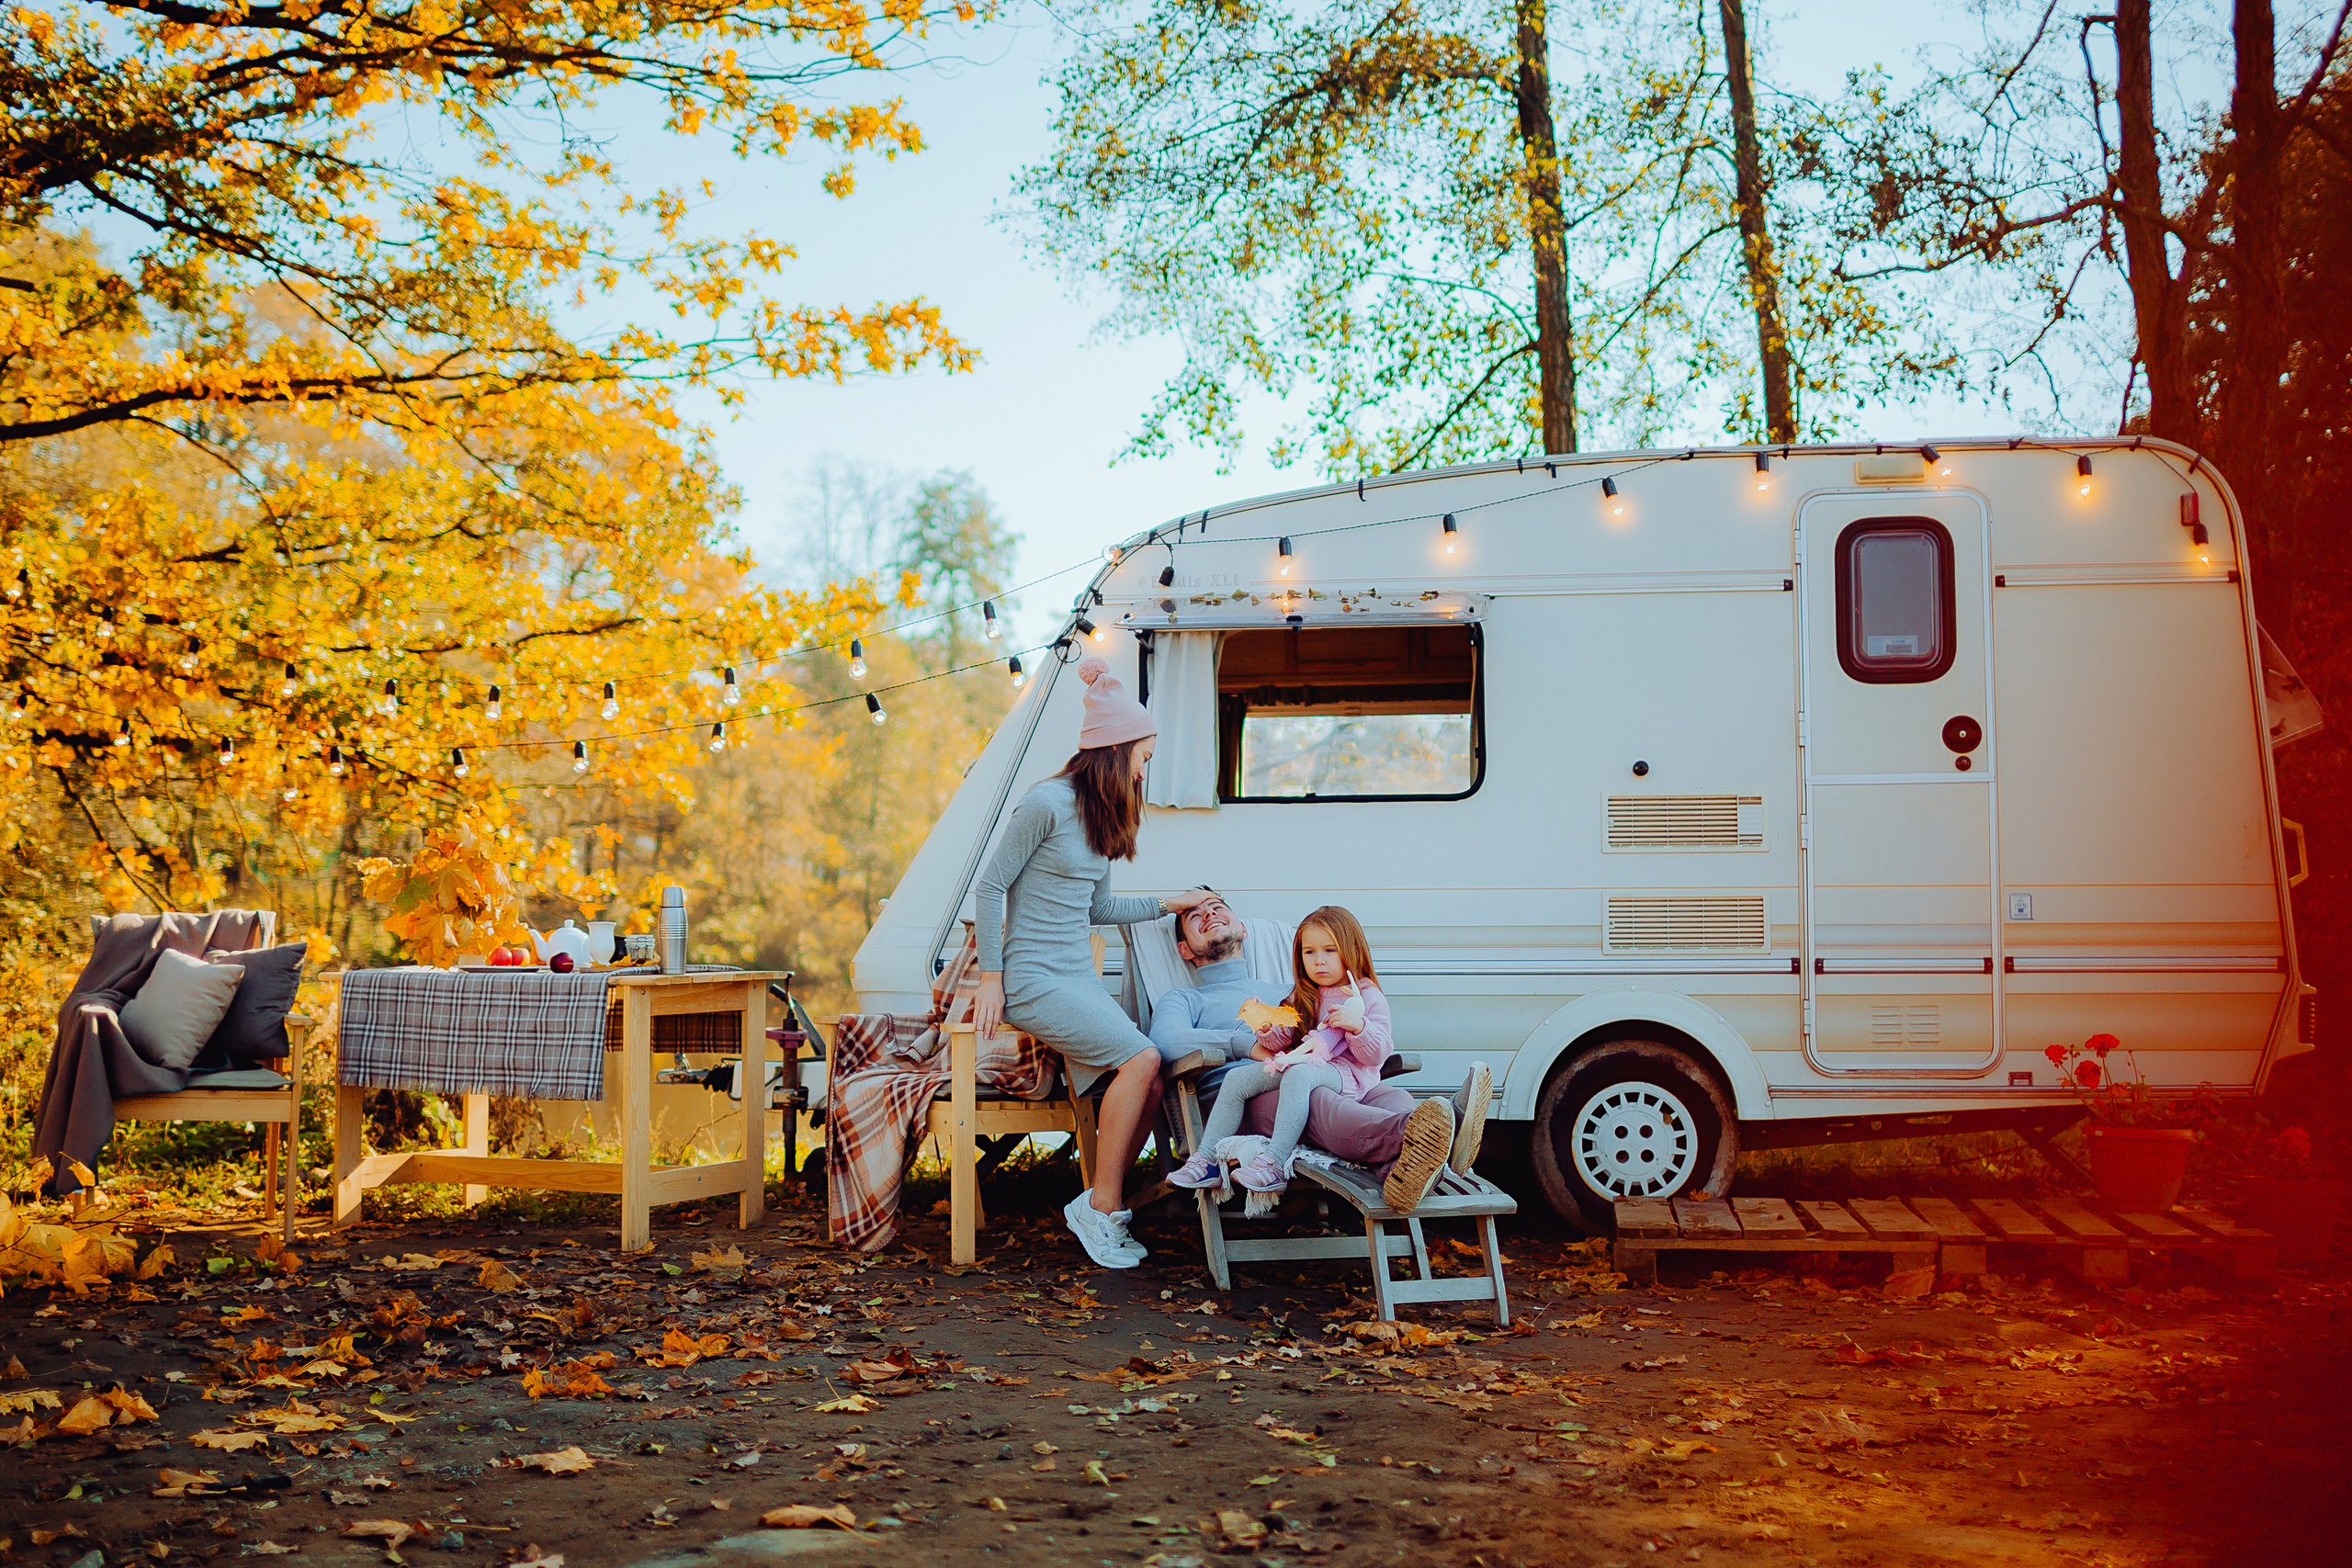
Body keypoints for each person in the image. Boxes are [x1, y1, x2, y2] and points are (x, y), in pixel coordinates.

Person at [971, 653, 1212, 1269]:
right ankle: (1101, 1209)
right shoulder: (1046, 803)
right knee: (1142, 1056)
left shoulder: (1100, 819)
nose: (1144, 770)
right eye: (1144, 756)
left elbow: (1097, 907)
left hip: (1074, 977)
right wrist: (992, 977)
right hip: (1030, 978)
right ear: (1116, 748)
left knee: (1153, 1079)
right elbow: (991, 886)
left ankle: (1104, 1206)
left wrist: (1169, 901)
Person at [1149, 894, 1468, 1212]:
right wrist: (1251, 1041)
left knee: (1390, 1096)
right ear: (1185, 948)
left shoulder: (1298, 989)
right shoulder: (1184, 999)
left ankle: (1402, 1173)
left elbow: (1344, 1036)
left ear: (1243, 929)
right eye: (1195, 916)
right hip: (1254, 1095)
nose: (1209, 914)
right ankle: (1430, 1131)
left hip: (1320, 1072)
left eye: (1217, 907)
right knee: (1314, 1097)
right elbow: (1166, 1041)